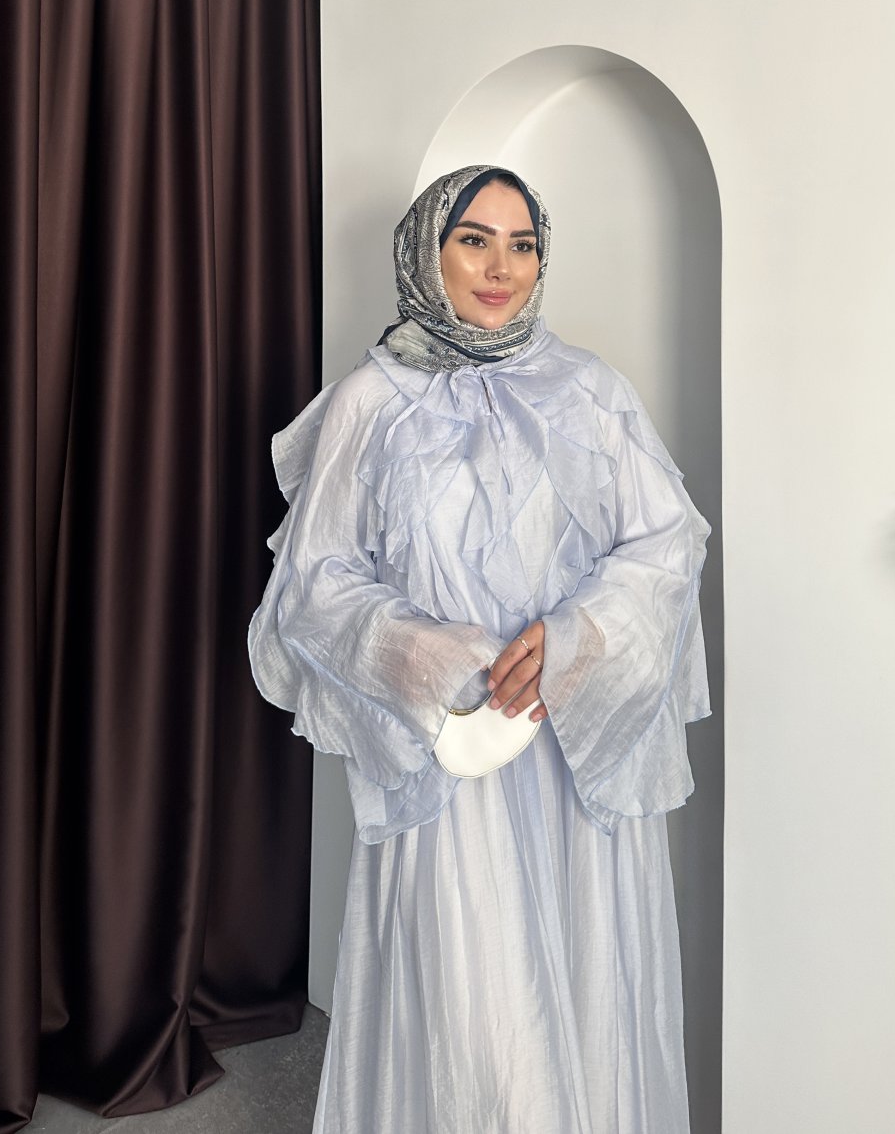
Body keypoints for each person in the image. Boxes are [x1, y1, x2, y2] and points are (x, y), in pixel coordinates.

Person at [248, 164, 712, 1134]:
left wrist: (574, 638)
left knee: (588, 992)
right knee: (475, 1021)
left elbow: (667, 543)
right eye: (474, 239)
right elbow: (316, 582)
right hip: (450, 760)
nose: (501, 267)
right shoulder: (369, 403)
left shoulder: (591, 392)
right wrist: (432, 656)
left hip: (576, 748)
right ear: (428, 251)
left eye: (522, 244)